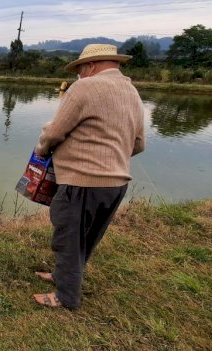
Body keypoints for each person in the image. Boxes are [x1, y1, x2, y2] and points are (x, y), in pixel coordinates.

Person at [32, 43, 145, 309]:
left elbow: (55, 131)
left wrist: (42, 149)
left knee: (68, 238)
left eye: (80, 70)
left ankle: (66, 297)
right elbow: (139, 144)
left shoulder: (83, 87)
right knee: (87, 237)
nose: (79, 75)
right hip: (116, 183)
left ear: (90, 66)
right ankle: (62, 276)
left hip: (82, 181)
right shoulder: (132, 92)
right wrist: (110, 158)